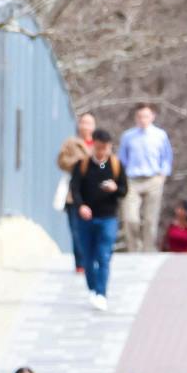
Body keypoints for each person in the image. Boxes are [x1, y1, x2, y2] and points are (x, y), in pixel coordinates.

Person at [69, 127, 127, 310]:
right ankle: (93, 288)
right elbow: (75, 189)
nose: (102, 152)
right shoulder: (83, 165)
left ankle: (101, 293)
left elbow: (124, 190)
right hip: (87, 218)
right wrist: (81, 206)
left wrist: (114, 188)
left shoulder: (115, 165)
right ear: (93, 145)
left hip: (108, 217)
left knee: (103, 255)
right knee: (88, 257)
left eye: (106, 148)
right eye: (99, 147)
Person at [117, 101, 174, 253]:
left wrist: (163, 175)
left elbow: (167, 157)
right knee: (130, 218)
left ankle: (148, 249)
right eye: (140, 116)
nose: (143, 119)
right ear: (136, 117)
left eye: (146, 116)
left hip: (153, 178)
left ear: (152, 117)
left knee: (150, 220)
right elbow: (121, 159)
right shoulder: (128, 136)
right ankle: (134, 249)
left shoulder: (160, 135)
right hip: (132, 180)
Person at [56, 111, 97, 273]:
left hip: (94, 194)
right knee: (76, 229)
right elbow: (61, 162)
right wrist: (79, 165)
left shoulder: (99, 144)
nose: (86, 126)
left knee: (92, 228)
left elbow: (105, 165)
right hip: (74, 193)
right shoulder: (70, 143)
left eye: (89, 123)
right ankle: (81, 263)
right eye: (83, 122)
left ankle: (91, 258)